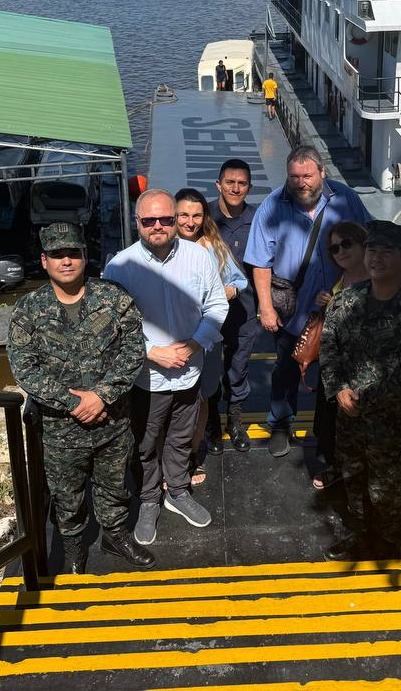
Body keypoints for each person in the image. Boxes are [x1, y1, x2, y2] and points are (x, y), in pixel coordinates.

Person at [7, 222, 154, 573]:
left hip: (111, 420)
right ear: (44, 261)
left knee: (114, 485)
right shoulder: (28, 310)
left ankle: (115, 535)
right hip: (61, 430)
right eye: (57, 255)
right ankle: (73, 545)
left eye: (73, 253)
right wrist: (74, 403)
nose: (66, 261)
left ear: (85, 257)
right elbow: (24, 368)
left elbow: (133, 350)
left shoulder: (114, 298)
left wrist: (101, 396)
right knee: (66, 494)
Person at [103, 189, 228, 546]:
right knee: (145, 443)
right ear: (137, 222)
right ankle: (148, 499)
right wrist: (151, 353)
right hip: (147, 377)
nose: (157, 226)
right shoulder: (120, 267)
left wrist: (194, 343)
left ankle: (177, 490)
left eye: (165, 219)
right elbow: (110, 326)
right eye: (149, 220)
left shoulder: (198, 256)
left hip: (189, 369)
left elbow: (216, 305)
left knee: (181, 437)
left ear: (174, 220)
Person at [320, 220, 401, 560]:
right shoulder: (346, 301)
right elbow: (329, 346)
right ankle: (360, 534)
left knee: (389, 487)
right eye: (372, 250)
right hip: (348, 414)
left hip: (391, 423)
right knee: (353, 476)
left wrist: (363, 399)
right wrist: (339, 389)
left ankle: (387, 543)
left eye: (387, 252)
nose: (377, 258)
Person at [245, 145, 371, 457]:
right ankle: (280, 423)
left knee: (335, 373)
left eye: (307, 176)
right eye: (294, 177)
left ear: (322, 173)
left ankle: (326, 432)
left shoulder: (346, 199)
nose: (301, 183)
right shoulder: (272, 207)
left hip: (340, 307)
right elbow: (260, 262)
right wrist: (266, 307)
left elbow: (368, 242)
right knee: (286, 368)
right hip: (294, 308)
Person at [174, 187, 247, 482]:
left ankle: (194, 452)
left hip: (206, 337)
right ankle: (175, 458)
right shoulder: (163, 246)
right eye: (183, 215)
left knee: (203, 396)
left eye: (196, 215)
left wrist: (226, 291)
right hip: (173, 337)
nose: (190, 222)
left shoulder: (213, 246)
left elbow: (238, 280)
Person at [310, 220, 369, 491]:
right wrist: (326, 302)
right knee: (329, 421)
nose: (341, 251)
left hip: (359, 369)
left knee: (354, 423)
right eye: (335, 248)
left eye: (346, 244)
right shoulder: (343, 278)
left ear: (362, 244)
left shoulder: (374, 281)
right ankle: (335, 467)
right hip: (333, 365)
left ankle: (354, 473)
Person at [207, 158, 259, 453]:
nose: (235, 188)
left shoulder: (257, 220)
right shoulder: (204, 218)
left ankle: (235, 419)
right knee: (211, 369)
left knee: (238, 368)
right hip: (208, 313)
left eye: (242, 183)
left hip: (244, 310)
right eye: (230, 182)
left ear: (249, 187)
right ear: (219, 185)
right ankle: (212, 422)